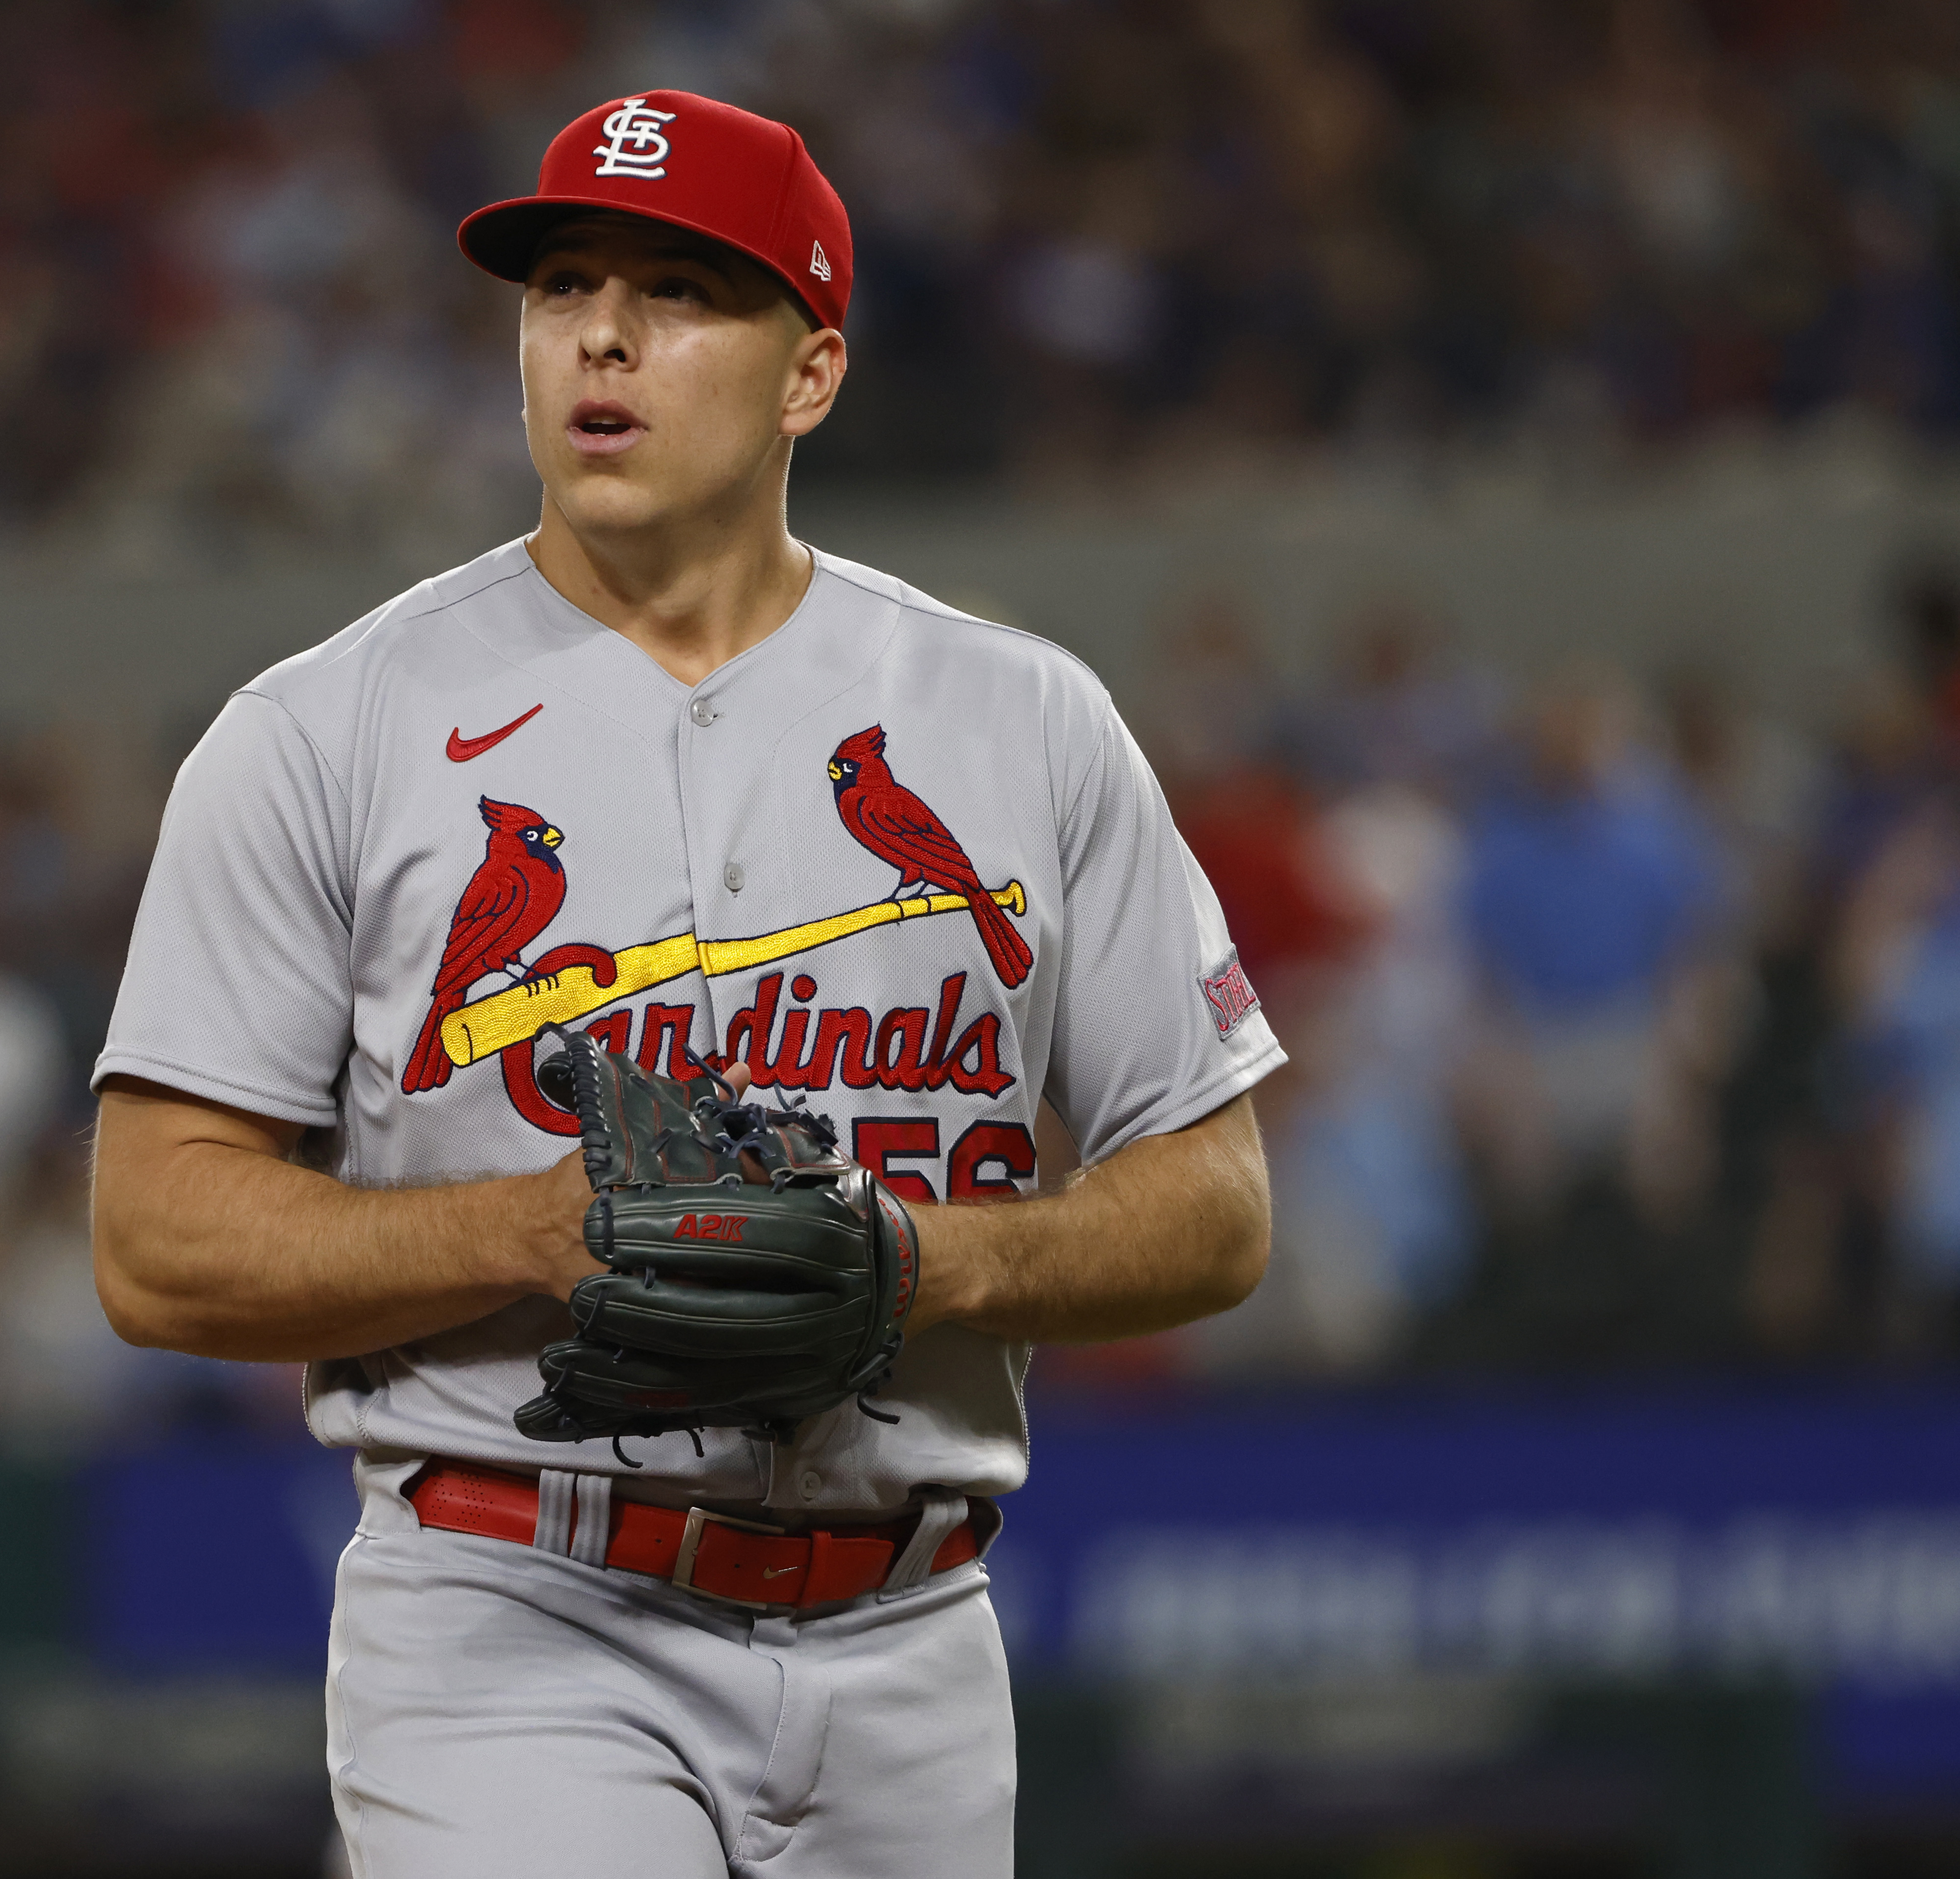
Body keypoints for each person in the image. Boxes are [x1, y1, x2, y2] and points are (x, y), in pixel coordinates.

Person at [89, 92, 1280, 1879]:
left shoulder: (1019, 719)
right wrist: (527, 1230)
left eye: (679, 292)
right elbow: (152, 1240)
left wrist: (925, 1262)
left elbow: (1218, 1206)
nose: (604, 334)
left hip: (912, 1635)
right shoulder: (322, 733)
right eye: (562, 283)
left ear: (810, 376)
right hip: (515, 1611)